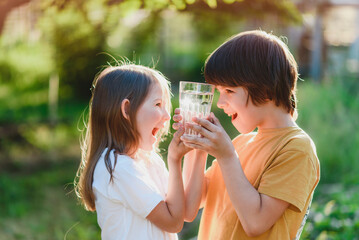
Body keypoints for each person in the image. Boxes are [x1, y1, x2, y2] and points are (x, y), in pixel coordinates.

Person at [173, 30, 320, 240]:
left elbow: (256, 222)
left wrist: (225, 155)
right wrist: (197, 145)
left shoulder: (296, 148)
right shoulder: (240, 144)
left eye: (229, 91)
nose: (220, 103)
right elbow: (189, 208)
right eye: (218, 92)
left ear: (266, 90)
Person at [75, 64, 190, 240]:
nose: (167, 115)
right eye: (158, 104)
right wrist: (174, 160)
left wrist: (198, 149)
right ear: (127, 109)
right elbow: (173, 222)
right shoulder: (117, 168)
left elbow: (185, 209)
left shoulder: (149, 160)